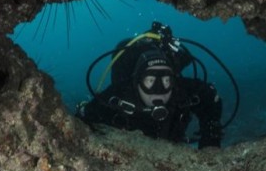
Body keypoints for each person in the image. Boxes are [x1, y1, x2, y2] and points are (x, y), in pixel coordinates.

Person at [76, 23, 224, 148]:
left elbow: (210, 98)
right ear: (137, 81)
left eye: (166, 81)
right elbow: (83, 121)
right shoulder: (117, 96)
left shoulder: (181, 91)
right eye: (150, 81)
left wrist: (210, 134)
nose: (159, 90)